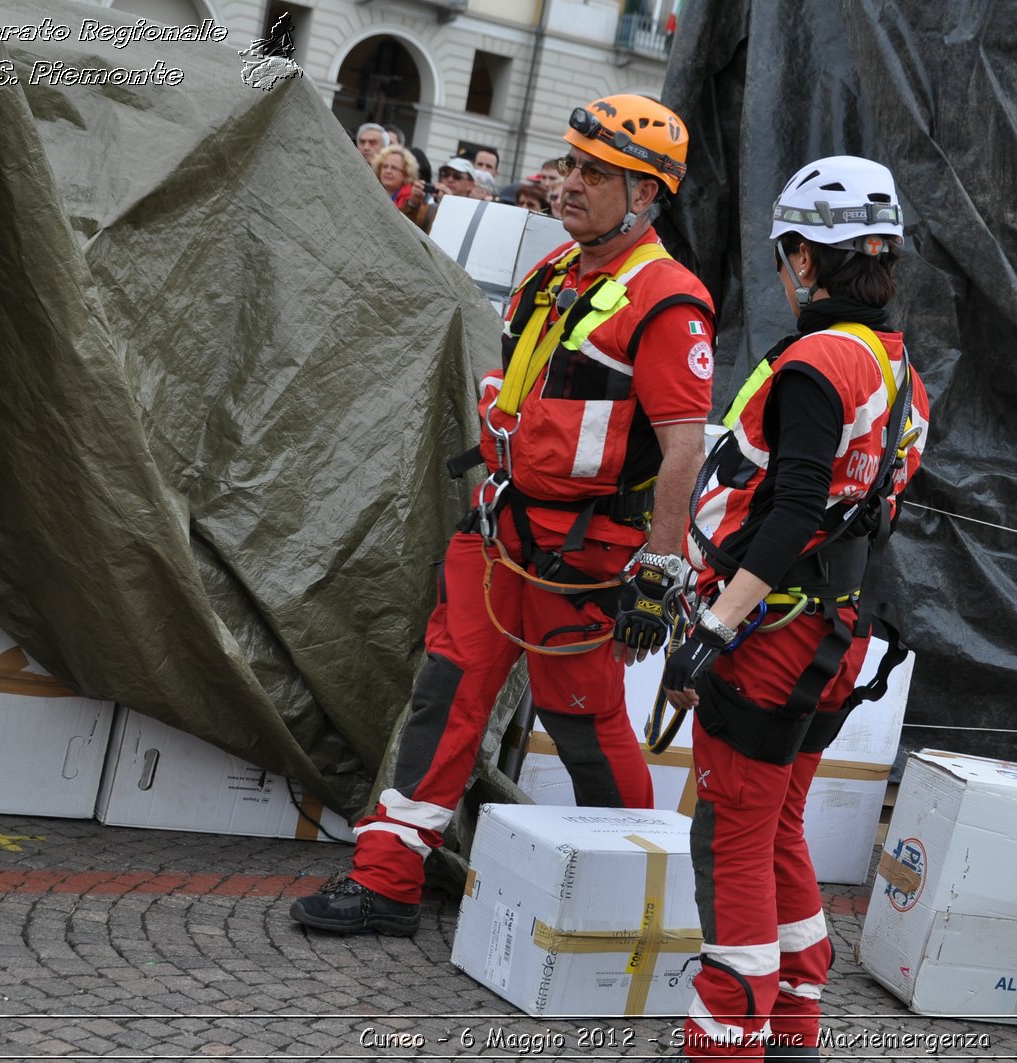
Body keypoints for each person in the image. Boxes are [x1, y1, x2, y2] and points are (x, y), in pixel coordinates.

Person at [289, 94, 714, 937]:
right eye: (570, 163)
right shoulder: (555, 274)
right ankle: (386, 881)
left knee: (586, 723)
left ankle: (638, 896)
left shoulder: (669, 301)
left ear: (646, 195)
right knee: (445, 697)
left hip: (584, 558)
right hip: (499, 535)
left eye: (597, 172)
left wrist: (660, 575)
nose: (569, 182)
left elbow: (684, 450)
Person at [661, 155, 930, 1060]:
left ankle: (726, 1037)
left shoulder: (820, 360)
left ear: (806, 260)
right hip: (832, 635)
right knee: (778, 823)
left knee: (737, 831)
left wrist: (711, 626)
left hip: (771, 635)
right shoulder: (896, 367)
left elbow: (797, 508)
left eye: (785, 256)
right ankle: (795, 1021)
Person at [371, 144, 426, 221]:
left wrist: (412, 204)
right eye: (385, 166)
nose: (388, 171)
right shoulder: (372, 192)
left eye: (394, 168)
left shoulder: (412, 198)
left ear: (406, 173)